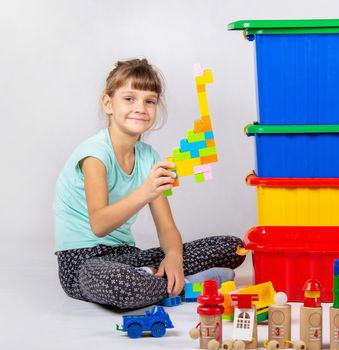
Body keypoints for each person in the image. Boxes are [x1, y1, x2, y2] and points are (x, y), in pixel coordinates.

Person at [54, 58, 245, 309]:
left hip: (127, 255)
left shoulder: (148, 157)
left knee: (233, 247)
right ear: (108, 104)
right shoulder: (95, 156)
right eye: (129, 98)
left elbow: (166, 228)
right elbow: (99, 224)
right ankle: (185, 285)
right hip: (83, 263)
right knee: (122, 286)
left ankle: (156, 276)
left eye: (150, 101)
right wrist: (145, 192)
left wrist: (174, 257)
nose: (140, 108)